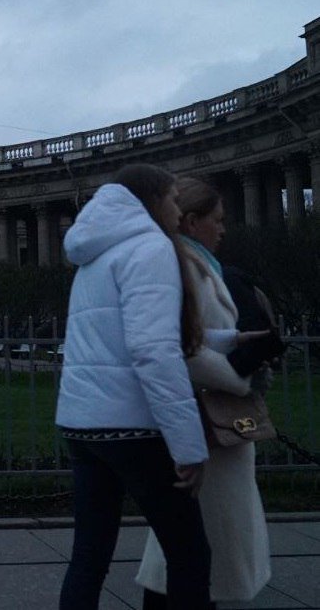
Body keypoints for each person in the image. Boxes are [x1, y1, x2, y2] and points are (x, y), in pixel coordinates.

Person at [55, 163, 212, 609]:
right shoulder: (150, 248)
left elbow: (113, 335)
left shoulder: (95, 252)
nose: (180, 212)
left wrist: (225, 339)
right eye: (174, 199)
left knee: (88, 558)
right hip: (135, 427)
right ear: (153, 200)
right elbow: (152, 350)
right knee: (189, 556)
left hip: (83, 424)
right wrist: (188, 445)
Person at [136, 177, 271, 607]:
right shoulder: (184, 269)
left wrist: (238, 343)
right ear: (192, 222)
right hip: (203, 420)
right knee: (192, 553)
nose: (224, 228)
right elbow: (182, 347)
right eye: (218, 219)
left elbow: (199, 338)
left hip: (209, 421)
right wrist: (240, 376)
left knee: (188, 552)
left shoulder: (201, 267)